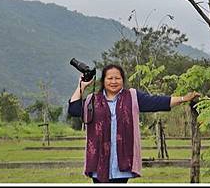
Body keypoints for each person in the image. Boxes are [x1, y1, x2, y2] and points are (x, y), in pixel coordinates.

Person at [68, 63, 199, 183]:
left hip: (122, 163)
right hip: (98, 162)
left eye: (117, 78)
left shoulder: (132, 97)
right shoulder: (93, 99)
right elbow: (73, 109)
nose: (114, 81)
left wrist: (183, 98)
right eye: (110, 78)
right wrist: (82, 86)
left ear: (122, 80)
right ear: (103, 81)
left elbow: (157, 102)